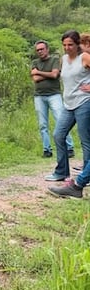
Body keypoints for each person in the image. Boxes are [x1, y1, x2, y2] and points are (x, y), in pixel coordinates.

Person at [45, 30, 90, 182]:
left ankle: (86, 174)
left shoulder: (84, 57)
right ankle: (62, 172)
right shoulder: (63, 59)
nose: (67, 47)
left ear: (78, 44)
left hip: (84, 102)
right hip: (68, 103)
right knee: (58, 134)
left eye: (70, 44)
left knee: (85, 140)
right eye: (64, 45)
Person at [31, 40, 74, 158]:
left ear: (47, 49)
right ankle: (47, 149)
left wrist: (39, 73)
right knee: (42, 124)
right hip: (39, 96)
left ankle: (69, 147)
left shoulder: (55, 59)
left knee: (61, 121)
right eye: (38, 50)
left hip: (54, 94)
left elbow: (55, 74)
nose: (40, 51)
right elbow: (35, 79)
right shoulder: (35, 62)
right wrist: (47, 74)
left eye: (42, 49)